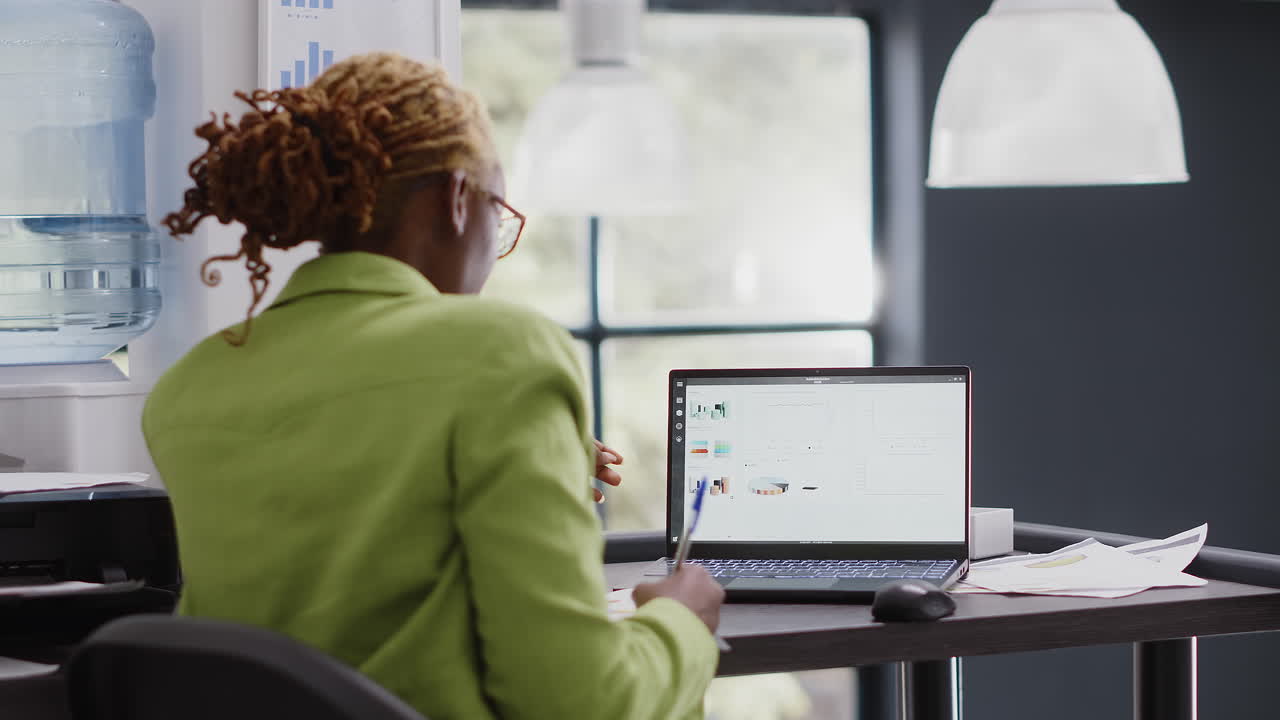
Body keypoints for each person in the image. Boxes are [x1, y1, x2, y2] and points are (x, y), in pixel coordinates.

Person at [143, 52, 724, 720]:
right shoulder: (500, 356)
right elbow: (581, 705)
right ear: (456, 199)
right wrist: (681, 623)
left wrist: (533, 453)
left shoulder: (189, 389)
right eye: (498, 213)